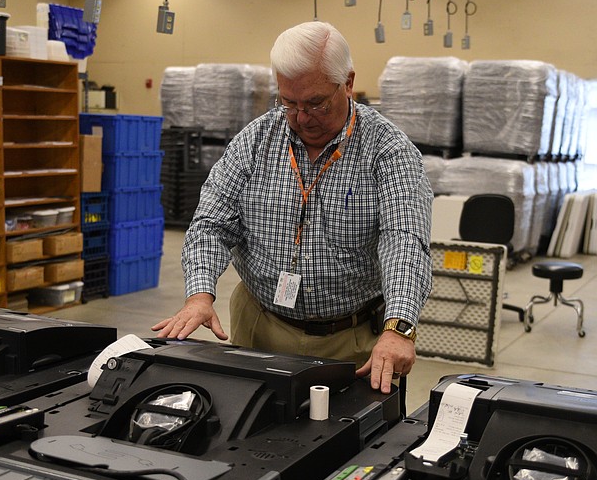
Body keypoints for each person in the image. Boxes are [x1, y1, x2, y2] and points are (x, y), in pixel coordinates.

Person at [152, 21, 432, 395]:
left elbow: (405, 242)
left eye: (315, 102)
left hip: (350, 339)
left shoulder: (388, 152)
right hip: (259, 324)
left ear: (347, 83)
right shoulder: (255, 141)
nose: (301, 117)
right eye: (288, 103)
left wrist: (399, 328)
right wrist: (200, 295)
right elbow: (211, 224)